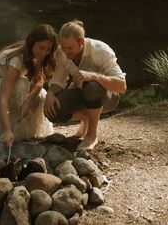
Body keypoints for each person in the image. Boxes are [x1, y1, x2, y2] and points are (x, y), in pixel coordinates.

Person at [44, 19, 127, 150]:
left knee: (92, 85)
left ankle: (91, 136)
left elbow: (122, 87)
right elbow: (59, 81)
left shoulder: (101, 50)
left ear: (81, 42)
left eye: (69, 48)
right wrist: (50, 93)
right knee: (52, 111)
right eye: (63, 47)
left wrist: (94, 76)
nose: (66, 52)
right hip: (81, 92)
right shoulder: (62, 52)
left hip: (108, 97)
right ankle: (86, 117)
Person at [0, 24, 57, 146]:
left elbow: (39, 80)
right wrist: (6, 130)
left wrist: (29, 101)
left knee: (42, 94)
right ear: (32, 43)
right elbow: (4, 98)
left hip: (2, 87)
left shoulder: (40, 55)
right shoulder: (16, 60)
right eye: (41, 48)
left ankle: (25, 132)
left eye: (48, 49)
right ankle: (6, 132)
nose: (44, 53)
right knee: (21, 84)